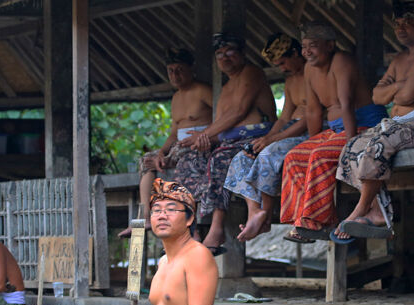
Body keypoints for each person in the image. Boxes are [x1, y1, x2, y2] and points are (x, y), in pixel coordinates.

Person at [335, 3, 414, 241]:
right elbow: (377, 96)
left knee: (379, 144)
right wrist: (401, 85)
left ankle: (361, 208)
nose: (401, 29)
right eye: (397, 24)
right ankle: (376, 209)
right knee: (351, 147)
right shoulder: (399, 59)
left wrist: (398, 89)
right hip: (398, 124)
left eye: (407, 23)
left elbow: (408, 97)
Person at [280, 22, 388, 243]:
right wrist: (314, 140)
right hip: (335, 129)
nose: (307, 52)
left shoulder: (341, 61)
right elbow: (312, 111)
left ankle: (315, 220)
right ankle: (310, 221)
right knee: (294, 157)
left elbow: (346, 104)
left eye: (313, 46)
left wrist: (351, 146)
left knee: (319, 155)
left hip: (362, 125)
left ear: (330, 46)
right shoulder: (309, 69)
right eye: (304, 46)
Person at [172, 33, 278, 254]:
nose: (225, 58)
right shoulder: (227, 87)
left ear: (241, 54)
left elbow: (239, 112)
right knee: (188, 163)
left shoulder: (252, 73)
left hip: (255, 139)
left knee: (219, 159)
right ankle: (192, 229)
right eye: (220, 54)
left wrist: (205, 134)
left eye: (230, 52)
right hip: (228, 142)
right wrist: (203, 141)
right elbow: (221, 126)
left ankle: (217, 227)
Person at [223, 33, 310, 242]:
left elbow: (310, 117)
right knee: (243, 157)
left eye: (283, 62)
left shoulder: (313, 74)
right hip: (287, 129)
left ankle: (267, 216)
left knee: (269, 154)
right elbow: (284, 117)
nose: (282, 69)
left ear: (296, 53)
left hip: (309, 130)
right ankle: (255, 211)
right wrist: (266, 139)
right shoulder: (290, 81)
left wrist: (271, 142)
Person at [120, 49, 213, 239]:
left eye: (179, 69)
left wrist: (205, 136)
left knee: (183, 158)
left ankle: (189, 227)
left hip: (199, 146)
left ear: (191, 69)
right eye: (171, 71)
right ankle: (146, 217)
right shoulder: (176, 97)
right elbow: (173, 133)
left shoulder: (204, 91)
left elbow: (222, 118)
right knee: (147, 159)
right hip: (178, 146)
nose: (175, 75)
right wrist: (161, 153)